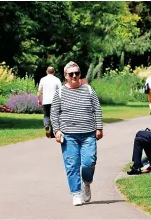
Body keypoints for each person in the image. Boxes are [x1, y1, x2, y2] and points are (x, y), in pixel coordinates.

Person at [50, 61, 103, 206]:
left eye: (77, 73)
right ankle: (76, 193)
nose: (74, 76)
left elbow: (97, 109)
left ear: (80, 74)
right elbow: (54, 113)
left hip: (88, 134)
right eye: (71, 74)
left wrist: (99, 128)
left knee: (88, 162)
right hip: (69, 136)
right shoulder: (60, 92)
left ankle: (87, 182)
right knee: (72, 165)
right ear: (66, 76)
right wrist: (57, 130)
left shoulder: (89, 90)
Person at [37, 66, 62, 138]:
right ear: (54, 72)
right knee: (54, 116)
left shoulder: (43, 79)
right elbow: (61, 91)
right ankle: (52, 133)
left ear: (46, 72)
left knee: (46, 115)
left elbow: (39, 92)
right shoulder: (57, 80)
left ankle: (47, 126)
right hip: (55, 101)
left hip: (45, 101)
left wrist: (39, 100)